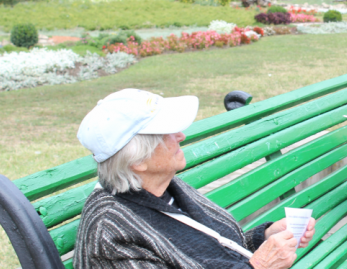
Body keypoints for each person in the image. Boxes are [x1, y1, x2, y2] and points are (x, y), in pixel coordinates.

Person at [74, 89, 315, 269]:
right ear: (137, 160)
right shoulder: (111, 233)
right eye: (166, 132)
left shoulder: (163, 186)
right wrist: (260, 266)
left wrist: (264, 237)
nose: (180, 135)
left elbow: (217, 248)